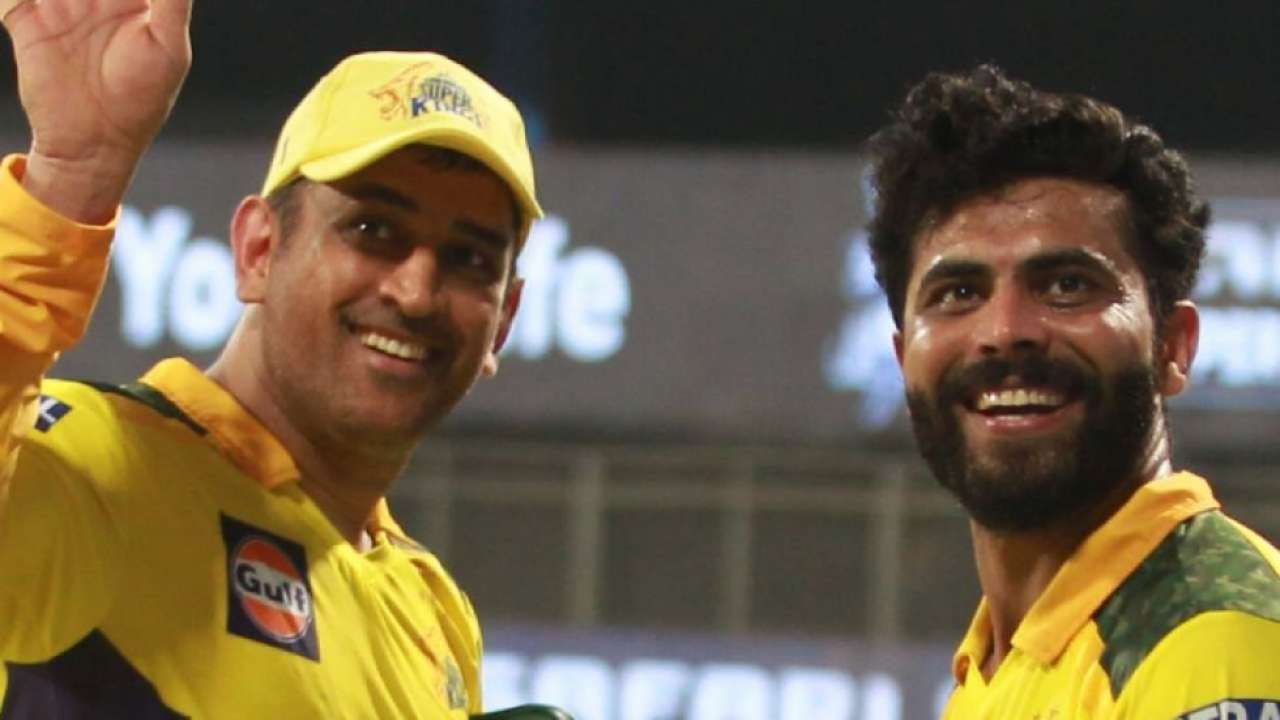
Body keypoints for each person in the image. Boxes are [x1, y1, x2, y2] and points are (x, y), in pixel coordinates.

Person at [0, 1, 555, 717]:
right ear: (258, 250)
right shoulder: (95, 469)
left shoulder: (433, 610)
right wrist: (72, 177)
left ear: (503, 320)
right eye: (373, 229)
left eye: (469, 258)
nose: (416, 292)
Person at [867, 65, 1280, 716]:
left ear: (1172, 347)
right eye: (960, 293)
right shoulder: (997, 669)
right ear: (903, 360)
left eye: (1067, 285)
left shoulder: (1210, 640)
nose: (1005, 332)